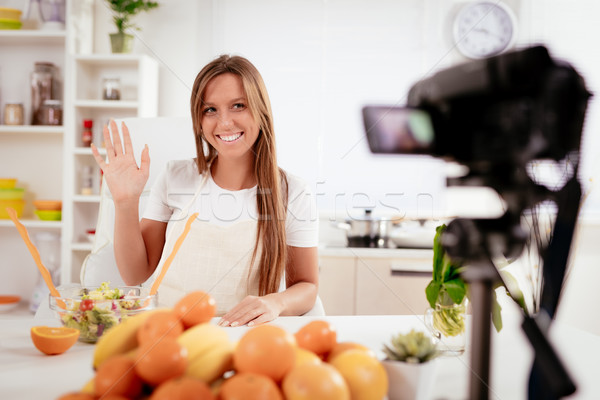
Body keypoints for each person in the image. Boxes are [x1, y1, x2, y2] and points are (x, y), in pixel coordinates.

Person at [91, 55, 319, 327]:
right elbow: (134, 274)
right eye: (210, 110)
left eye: (238, 105)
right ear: (198, 121)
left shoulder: (293, 192)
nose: (224, 123)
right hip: (168, 333)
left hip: (244, 336)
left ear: (261, 110)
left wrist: (276, 302)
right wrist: (126, 202)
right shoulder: (175, 177)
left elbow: (307, 287)